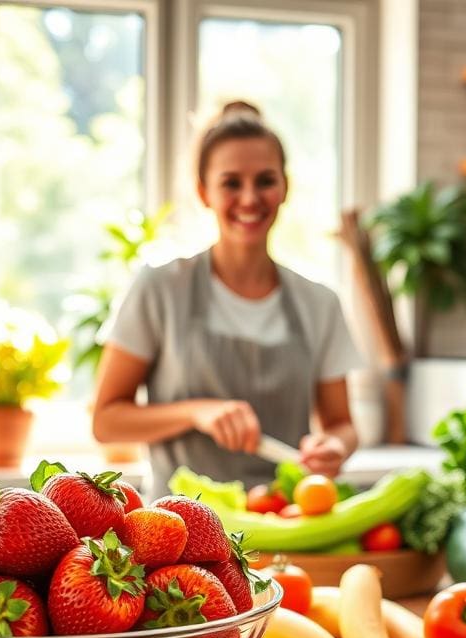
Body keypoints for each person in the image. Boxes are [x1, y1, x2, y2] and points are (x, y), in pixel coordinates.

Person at [92, 101, 362, 496]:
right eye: (231, 183)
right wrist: (196, 411)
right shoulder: (159, 288)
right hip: (178, 534)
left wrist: (335, 446)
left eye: (265, 180)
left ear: (284, 187)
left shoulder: (320, 304)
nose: (250, 198)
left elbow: (342, 423)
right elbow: (106, 421)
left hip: (281, 523)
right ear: (204, 192)